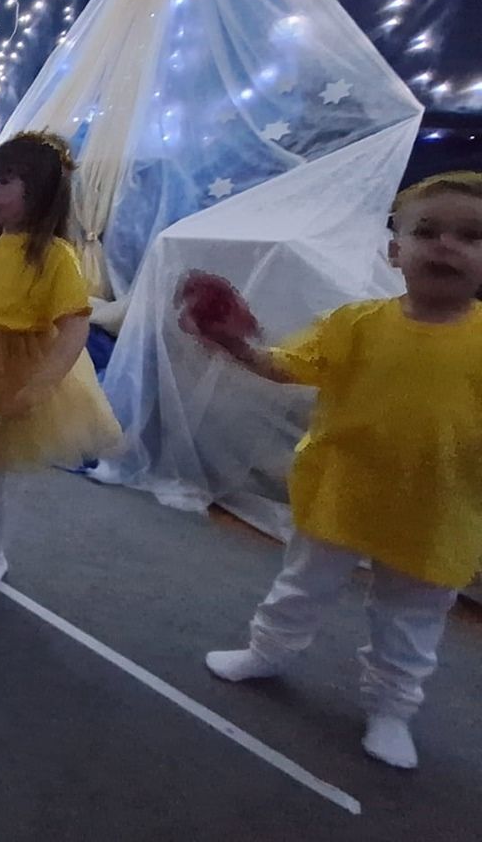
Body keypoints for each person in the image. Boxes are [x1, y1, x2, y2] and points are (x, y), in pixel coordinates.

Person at [184, 171, 482, 770]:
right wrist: (236, 344)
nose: (447, 246)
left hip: (438, 508)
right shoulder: (357, 322)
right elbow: (287, 365)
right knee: (302, 584)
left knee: (410, 619)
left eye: (472, 236)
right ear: (395, 251)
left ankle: (393, 708)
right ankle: (267, 651)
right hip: (342, 489)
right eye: (428, 231)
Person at [0, 132, 120, 589]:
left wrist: (39, 385)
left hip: (14, 369)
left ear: (40, 189)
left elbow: (74, 327)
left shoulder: (56, 257)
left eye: (6, 181)